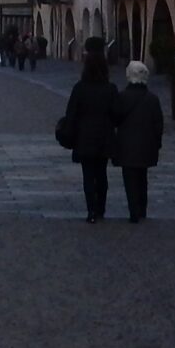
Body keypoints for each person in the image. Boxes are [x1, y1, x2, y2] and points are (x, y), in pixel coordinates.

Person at [58, 38, 121, 222]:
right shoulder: (110, 89)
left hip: (84, 137)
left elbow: (71, 113)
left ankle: (91, 211)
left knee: (88, 175)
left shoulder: (80, 88)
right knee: (102, 174)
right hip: (104, 136)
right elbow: (117, 114)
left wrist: (69, 133)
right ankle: (101, 209)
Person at [112, 58, 165, 223]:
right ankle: (142, 209)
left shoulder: (122, 97)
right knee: (142, 178)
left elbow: (115, 119)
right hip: (146, 145)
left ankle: (133, 210)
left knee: (130, 179)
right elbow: (158, 124)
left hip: (126, 145)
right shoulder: (152, 99)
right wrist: (157, 143)